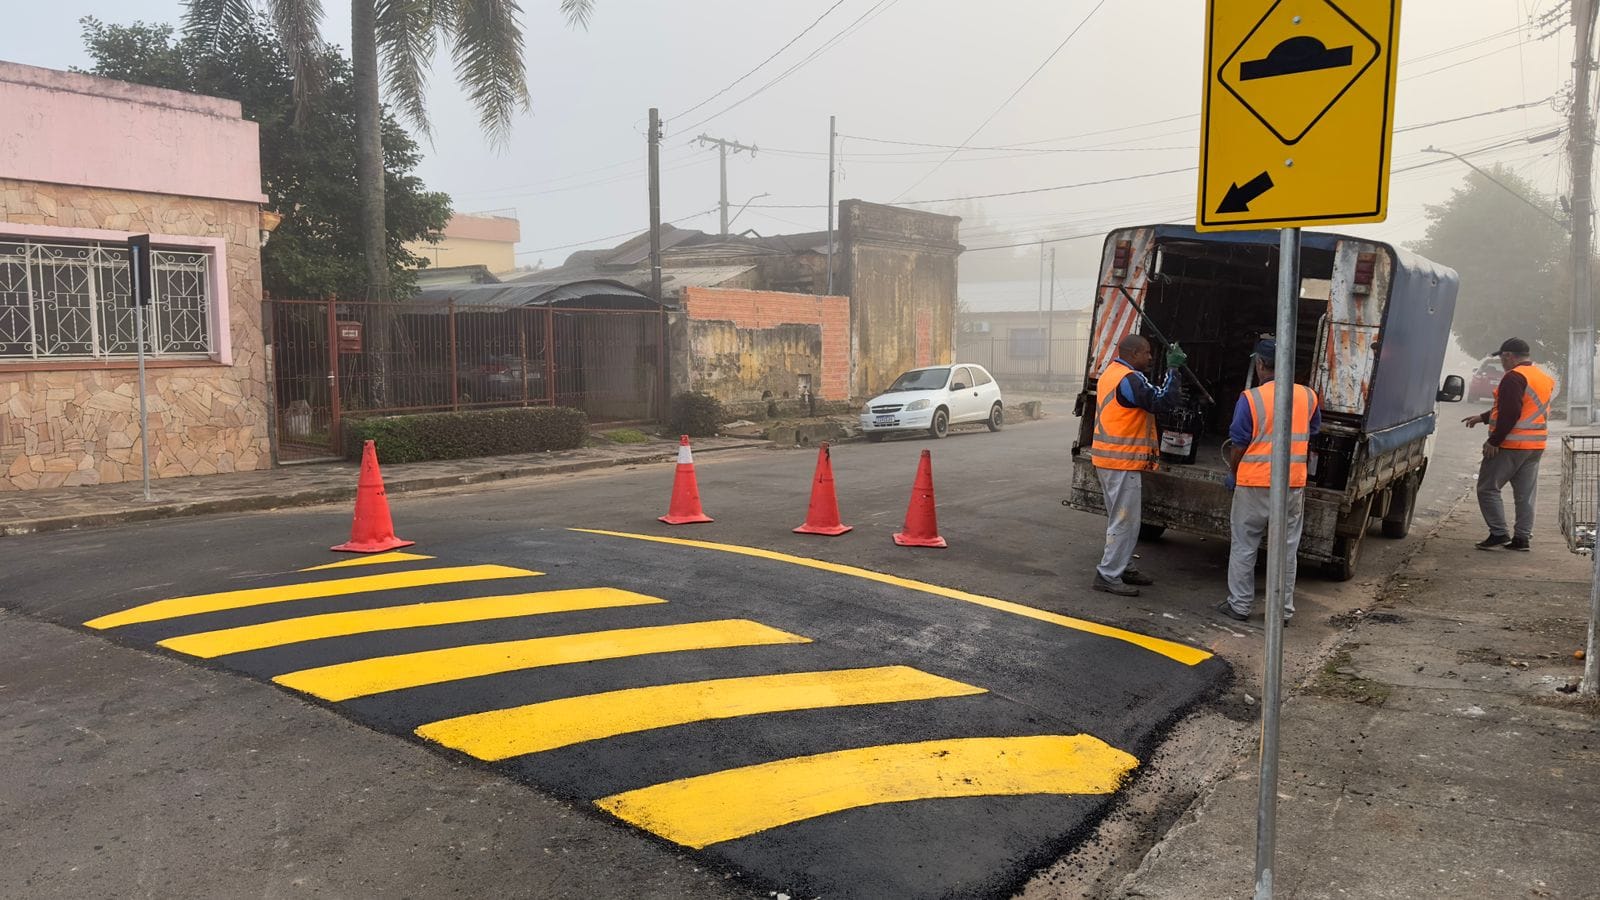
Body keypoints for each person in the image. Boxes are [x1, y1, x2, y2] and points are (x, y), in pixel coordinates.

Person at [1216, 339, 1322, 624]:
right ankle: (1281, 612)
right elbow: (1313, 431)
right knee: (1286, 549)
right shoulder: (1308, 396)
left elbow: (1238, 442)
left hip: (1253, 484)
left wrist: (1234, 473)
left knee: (1245, 545)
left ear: (1261, 365)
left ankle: (1239, 606)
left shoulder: (1251, 398)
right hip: (1291, 484)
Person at [1090, 333, 1185, 596]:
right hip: (1121, 461)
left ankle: (1123, 567)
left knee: (1119, 519)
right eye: (1147, 353)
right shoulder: (1129, 379)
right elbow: (1162, 402)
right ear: (1133, 354)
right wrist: (1174, 369)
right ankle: (1108, 575)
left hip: (1109, 459)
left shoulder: (1112, 372)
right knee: (1125, 522)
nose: (1150, 357)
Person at [1463, 337, 1553, 551]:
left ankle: (1499, 533)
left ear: (1508, 356)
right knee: (1525, 494)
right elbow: (1524, 408)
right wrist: (1483, 417)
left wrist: (1494, 441)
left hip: (1510, 445)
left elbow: (1511, 412)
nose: (1502, 363)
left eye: (1502, 358)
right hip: (1535, 447)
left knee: (1487, 488)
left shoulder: (1513, 377)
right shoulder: (1542, 377)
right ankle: (1522, 539)